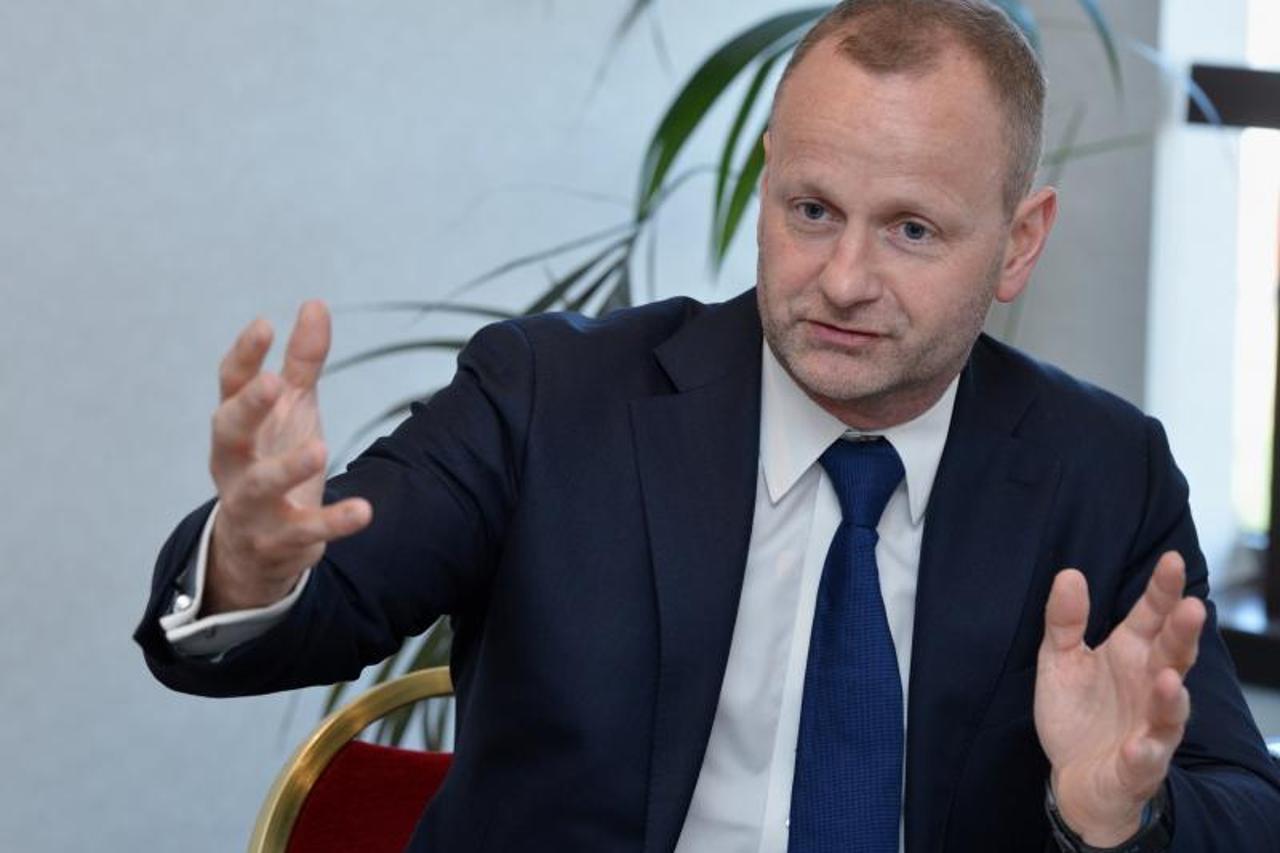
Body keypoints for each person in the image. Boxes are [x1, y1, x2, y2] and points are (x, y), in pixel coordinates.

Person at [135, 1, 1280, 851]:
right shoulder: (551, 398)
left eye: (910, 231)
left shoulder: (1099, 471)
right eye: (811, 209)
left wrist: (1113, 816)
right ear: (769, 180)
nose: (842, 279)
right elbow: (307, 609)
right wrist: (249, 565)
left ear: (1018, 242)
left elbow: (1241, 803)